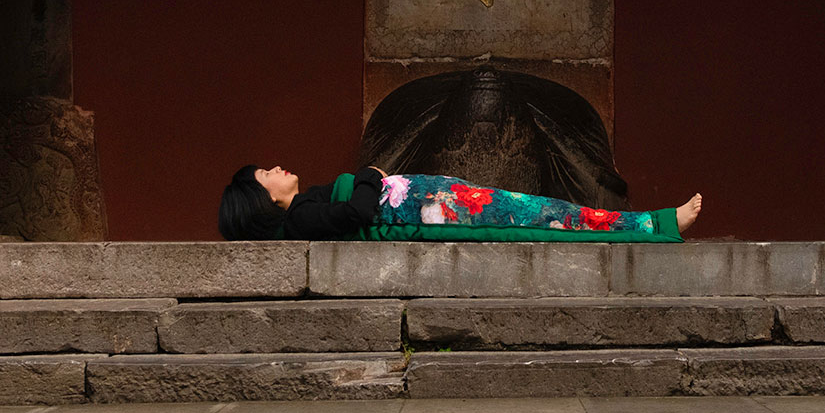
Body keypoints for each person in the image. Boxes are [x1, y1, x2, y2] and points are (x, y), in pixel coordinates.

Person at [218, 162, 703, 242]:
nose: (277, 168)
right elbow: (358, 213)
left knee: (552, 212)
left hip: (448, 201)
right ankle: (657, 226)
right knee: (551, 217)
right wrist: (369, 174)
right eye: (266, 175)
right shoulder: (301, 214)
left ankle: (656, 223)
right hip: (444, 209)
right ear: (264, 201)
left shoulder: (304, 207)